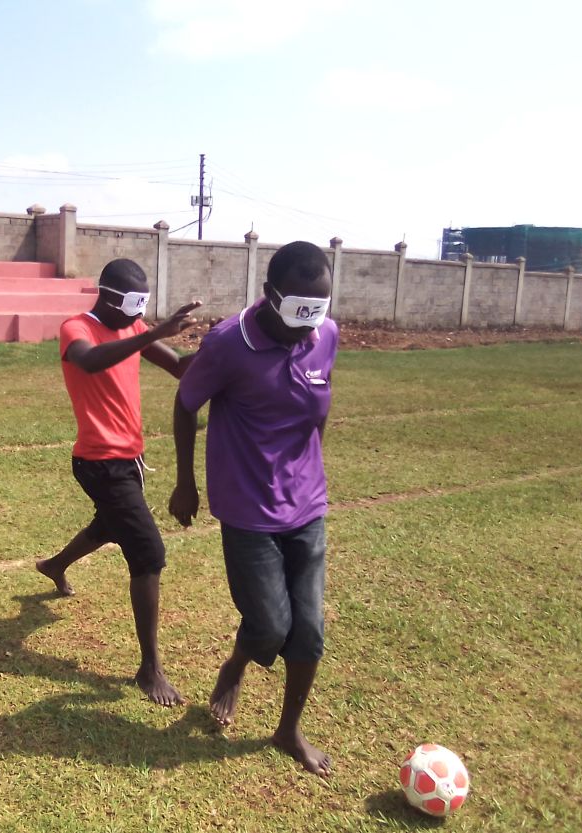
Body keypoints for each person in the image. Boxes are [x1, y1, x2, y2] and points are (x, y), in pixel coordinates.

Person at [168, 241, 338, 776]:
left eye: (318, 311)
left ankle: (288, 730)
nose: (308, 326)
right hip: (248, 511)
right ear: (269, 297)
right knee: (269, 627)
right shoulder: (227, 344)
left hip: (307, 506)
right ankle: (236, 666)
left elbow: (319, 408)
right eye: (298, 312)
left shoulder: (325, 337)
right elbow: (185, 403)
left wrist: (310, 468)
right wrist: (185, 484)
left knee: (308, 631)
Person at [37, 257, 201, 707]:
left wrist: (226, 344)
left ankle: (55, 565)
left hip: (129, 459)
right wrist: (151, 332)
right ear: (106, 296)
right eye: (131, 303)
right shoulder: (78, 328)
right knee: (148, 551)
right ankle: (149, 669)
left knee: (110, 526)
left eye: (142, 306)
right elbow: (88, 362)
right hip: (98, 462)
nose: (136, 313)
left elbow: (180, 368)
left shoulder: (132, 326)